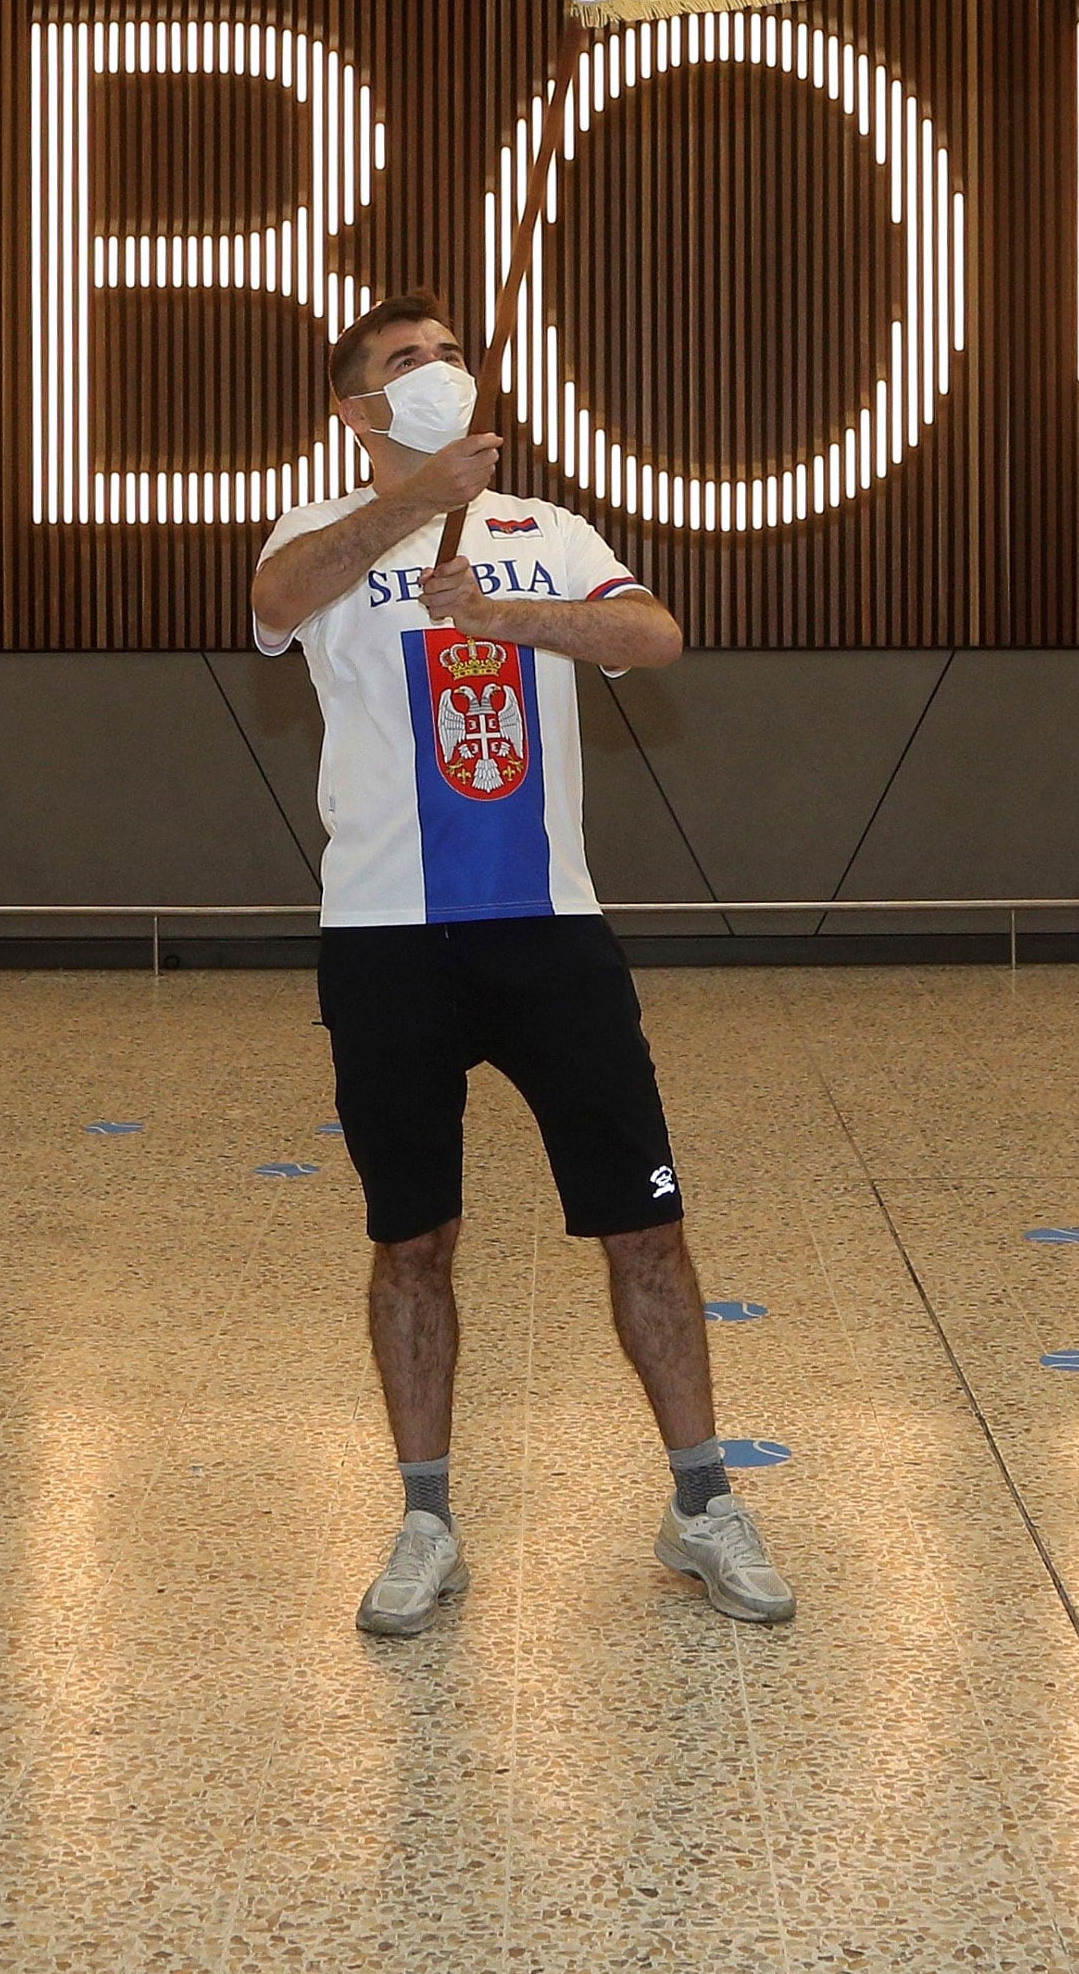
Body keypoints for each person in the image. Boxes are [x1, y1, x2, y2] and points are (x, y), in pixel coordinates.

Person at [249, 290, 794, 1636]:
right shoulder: (316, 534)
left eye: (448, 354)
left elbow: (653, 635)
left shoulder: (544, 534)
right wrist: (407, 503)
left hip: (549, 930)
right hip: (383, 938)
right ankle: (427, 1515)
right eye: (403, 362)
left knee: (644, 1224)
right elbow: (273, 604)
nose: (438, 371)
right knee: (412, 1235)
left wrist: (511, 618)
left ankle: (701, 1497)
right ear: (356, 408)